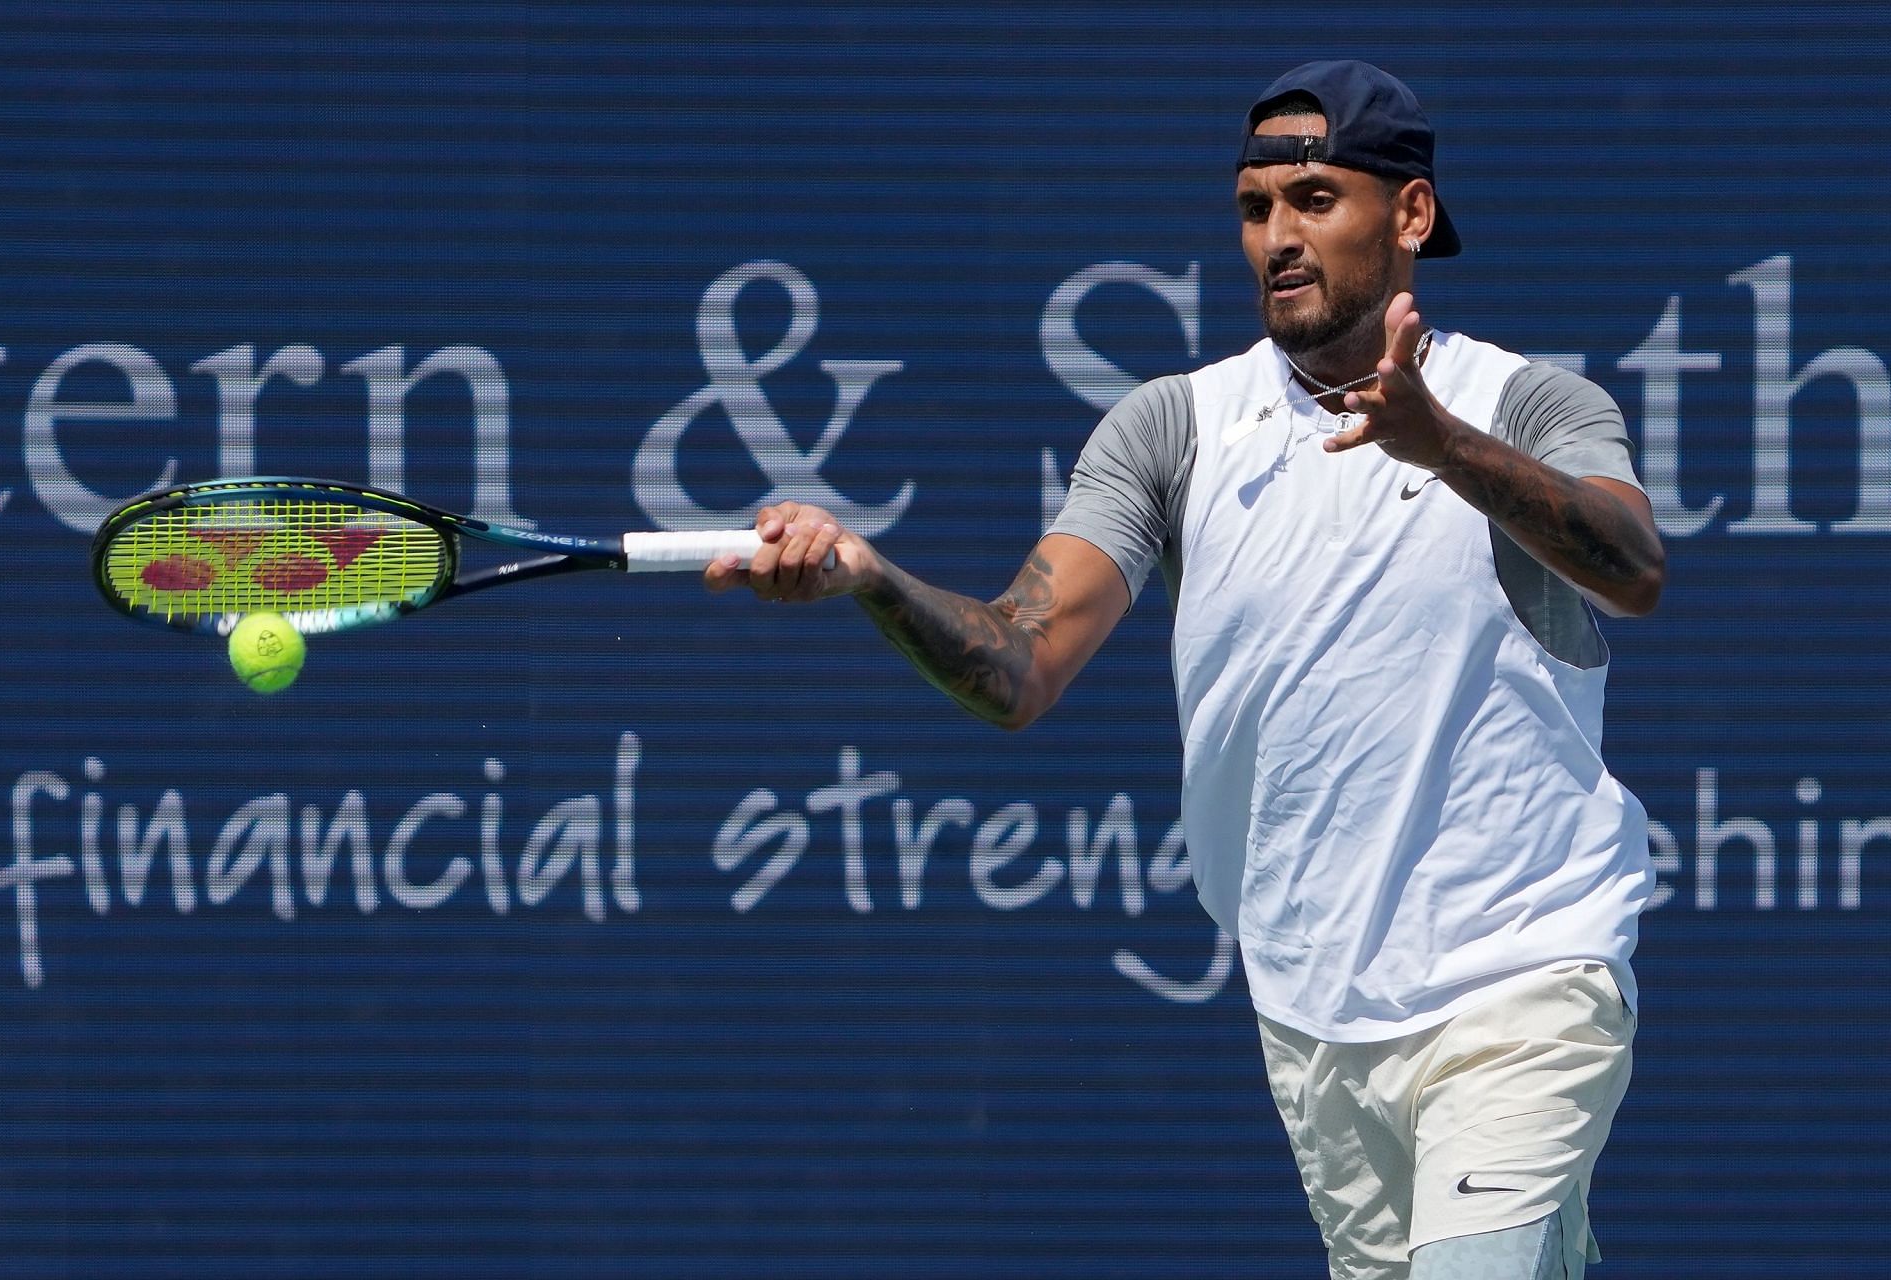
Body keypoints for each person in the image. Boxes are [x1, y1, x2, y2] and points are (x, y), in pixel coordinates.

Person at [705, 59, 1664, 1280]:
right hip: (1313, 1016)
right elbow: (1021, 663)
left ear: (1412, 216)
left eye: (1316, 198)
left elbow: (1631, 565)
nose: (1279, 237)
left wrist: (1450, 449)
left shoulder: (1526, 401)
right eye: (1256, 207)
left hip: (1522, 978)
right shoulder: (1172, 428)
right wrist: (871, 579)